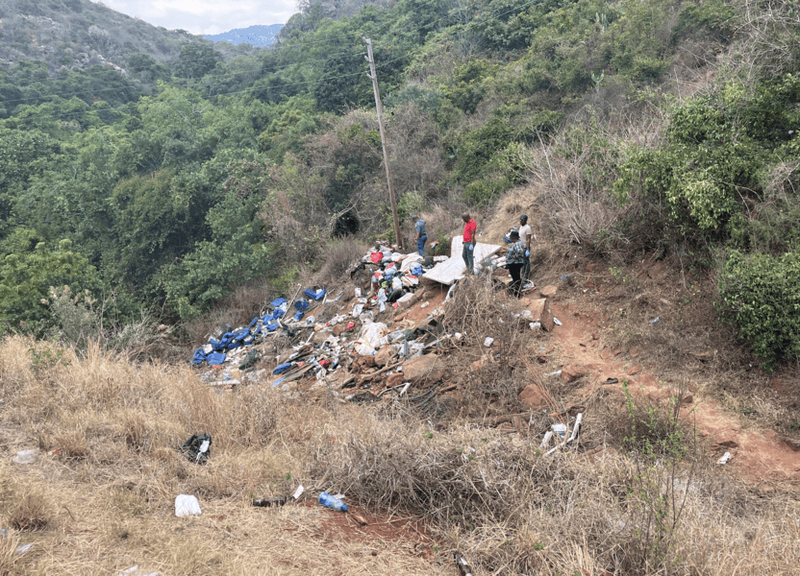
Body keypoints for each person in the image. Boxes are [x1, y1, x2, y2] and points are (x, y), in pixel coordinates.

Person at [505, 229, 526, 297]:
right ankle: (517, 292)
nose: (510, 238)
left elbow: (520, 252)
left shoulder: (517, 244)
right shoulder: (517, 243)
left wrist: (516, 256)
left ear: (514, 238)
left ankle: (518, 294)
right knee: (516, 278)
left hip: (515, 263)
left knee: (516, 278)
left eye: (511, 237)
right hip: (514, 263)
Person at [518, 214, 532, 280]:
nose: (521, 221)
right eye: (520, 220)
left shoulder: (527, 228)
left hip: (525, 247)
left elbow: (528, 239)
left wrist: (528, 249)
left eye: (522, 220)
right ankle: (523, 274)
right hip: (521, 247)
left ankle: (527, 275)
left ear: (525, 220)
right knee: (522, 261)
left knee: (526, 262)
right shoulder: (521, 227)